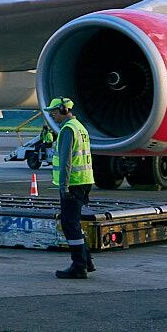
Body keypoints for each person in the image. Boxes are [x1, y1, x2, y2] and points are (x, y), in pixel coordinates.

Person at [47, 97, 97, 279]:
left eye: (53, 111)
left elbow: (67, 161)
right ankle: (87, 261)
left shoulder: (68, 130)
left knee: (69, 225)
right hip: (84, 180)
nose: (52, 114)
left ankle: (79, 267)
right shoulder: (80, 127)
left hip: (74, 183)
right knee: (74, 222)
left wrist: (63, 186)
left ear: (62, 110)